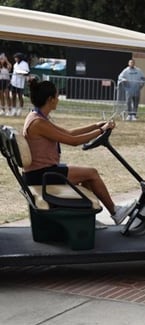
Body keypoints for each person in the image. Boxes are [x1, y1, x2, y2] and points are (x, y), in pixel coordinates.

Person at [22, 78, 136, 225]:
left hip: (43, 171)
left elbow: (69, 132)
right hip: (41, 175)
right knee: (92, 173)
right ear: (50, 99)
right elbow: (73, 141)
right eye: (57, 96)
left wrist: (96, 126)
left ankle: (86, 219)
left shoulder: (38, 117)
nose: (58, 100)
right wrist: (101, 130)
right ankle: (115, 212)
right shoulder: (38, 123)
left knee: (87, 177)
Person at [9, 52, 29, 117]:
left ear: (19, 58)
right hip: (14, 82)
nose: (15, 59)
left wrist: (21, 73)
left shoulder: (24, 64)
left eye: (16, 58)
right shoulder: (15, 64)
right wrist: (11, 81)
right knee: (13, 96)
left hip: (20, 83)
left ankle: (20, 109)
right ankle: (14, 109)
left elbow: (27, 72)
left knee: (20, 96)